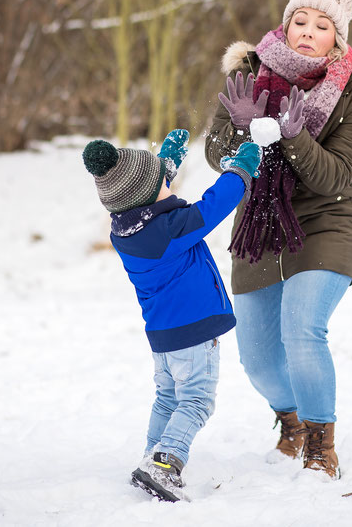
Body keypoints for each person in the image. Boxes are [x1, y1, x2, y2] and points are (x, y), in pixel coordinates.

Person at [204, 0, 352, 480]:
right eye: (300, 20)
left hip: (327, 221)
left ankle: (320, 445)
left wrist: (292, 133)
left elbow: (334, 176)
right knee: (258, 359)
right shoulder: (247, 71)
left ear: (336, 37)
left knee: (303, 330)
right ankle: (291, 420)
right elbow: (217, 155)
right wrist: (241, 135)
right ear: (287, 23)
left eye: (321, 25)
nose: (308, 32)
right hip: (260, 221)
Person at [82, 129, 262, 501]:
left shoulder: (126, 231)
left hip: (163, 336)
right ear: (149, 197)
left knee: (167, 397)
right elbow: (215, 204)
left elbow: (147, 192)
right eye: (162, 181)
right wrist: (241, 168)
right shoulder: (172, 229)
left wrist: (165, 161)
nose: (169, 185)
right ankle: (165, 463)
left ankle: (151, 456)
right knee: (196, 400)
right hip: (194, 331)